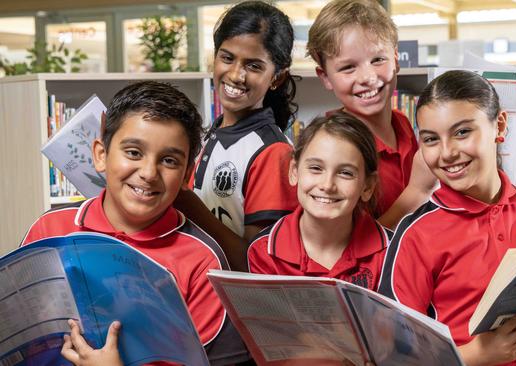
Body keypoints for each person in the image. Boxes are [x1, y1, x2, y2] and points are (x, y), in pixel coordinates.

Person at [22, 81, 249, 365]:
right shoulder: (48, 230)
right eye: (133, 152)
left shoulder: (203, 261)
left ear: (187, 174)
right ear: (101, 155)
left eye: (168, 160)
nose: (148, 173)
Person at [376, 70, 516, 366]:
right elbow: (396, 355)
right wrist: (478, 355)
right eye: (431, 139)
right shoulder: (416, 233)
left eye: (462, 132)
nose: (447, 153)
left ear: (499, 125)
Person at [176, 0, 299, 253]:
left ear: (277, 77)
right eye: (227, 58)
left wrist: (186, 201)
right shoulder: (211, 134)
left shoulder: (274, 153)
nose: (235, 75)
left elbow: (257, 264)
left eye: (253, 66)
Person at [306, 0, 436, 229]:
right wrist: (417, 191)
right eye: (348, 67)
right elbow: (352, 248)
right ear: (325, 76)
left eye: (378, 60)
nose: (367, 77)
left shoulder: (402, 123)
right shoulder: (331, 147)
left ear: (396, 59)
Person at [248, 112, 390, 291]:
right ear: (294, 171)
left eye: (345, 173)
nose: (327, 185)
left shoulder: (392, 251)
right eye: (316, 168)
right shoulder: (263, 250)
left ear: (367, 187)